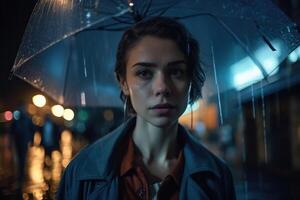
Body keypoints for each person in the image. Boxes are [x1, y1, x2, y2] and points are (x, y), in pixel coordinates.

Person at [57, 16, 236, 200]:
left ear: (190, 79)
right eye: (144, 73)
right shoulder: (82, 172)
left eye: (176, 72)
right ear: (123, 82)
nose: (162, 88)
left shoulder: (216, 176)